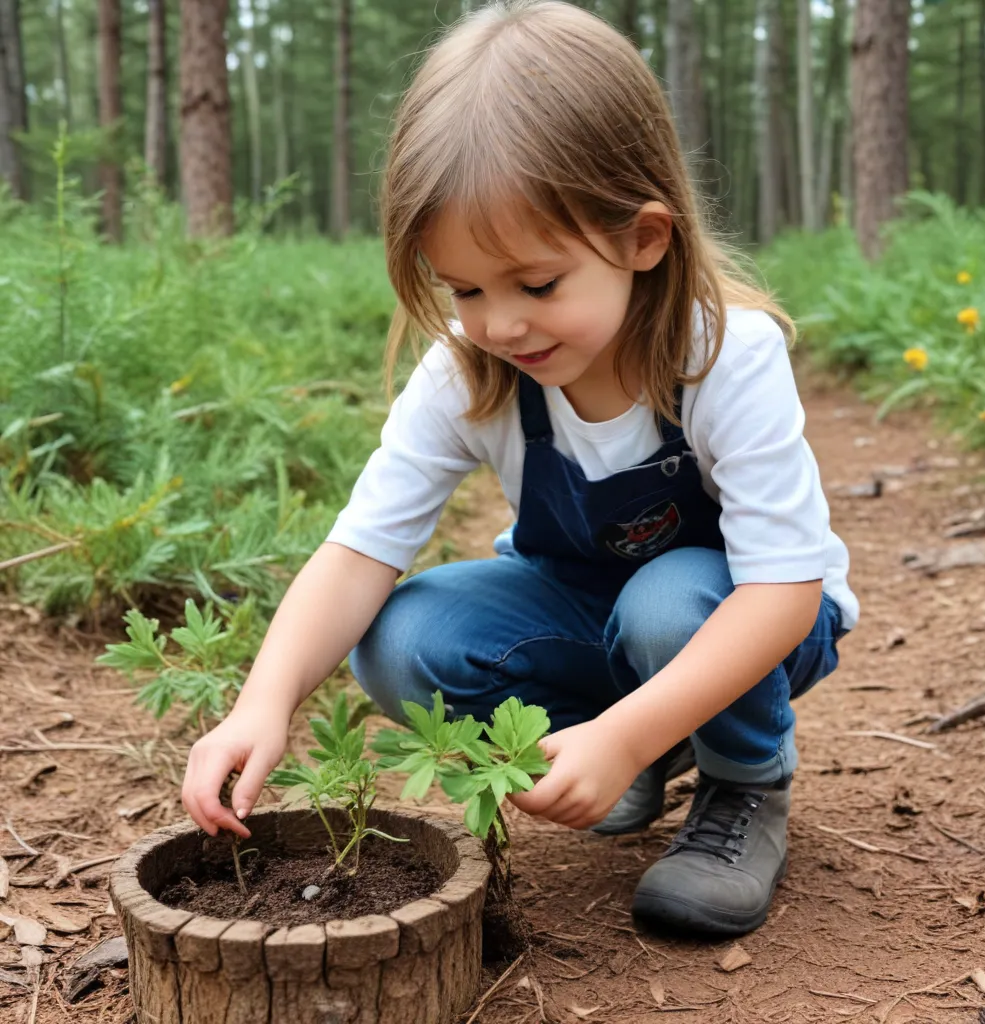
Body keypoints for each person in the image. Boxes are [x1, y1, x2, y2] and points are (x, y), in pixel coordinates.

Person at [181, 0, 858, 937]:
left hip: (752, 622)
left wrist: (625, 731)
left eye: (536, 284)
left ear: (642, 239)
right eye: (464, 288)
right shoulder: (471, 372)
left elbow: (783, 594)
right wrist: (263, 701)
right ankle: (625, 754)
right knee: (402, 635)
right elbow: (359, 550)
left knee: (669, 601)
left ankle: (743, 787)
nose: (500, 324)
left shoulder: (724, 358)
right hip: (585, 613)